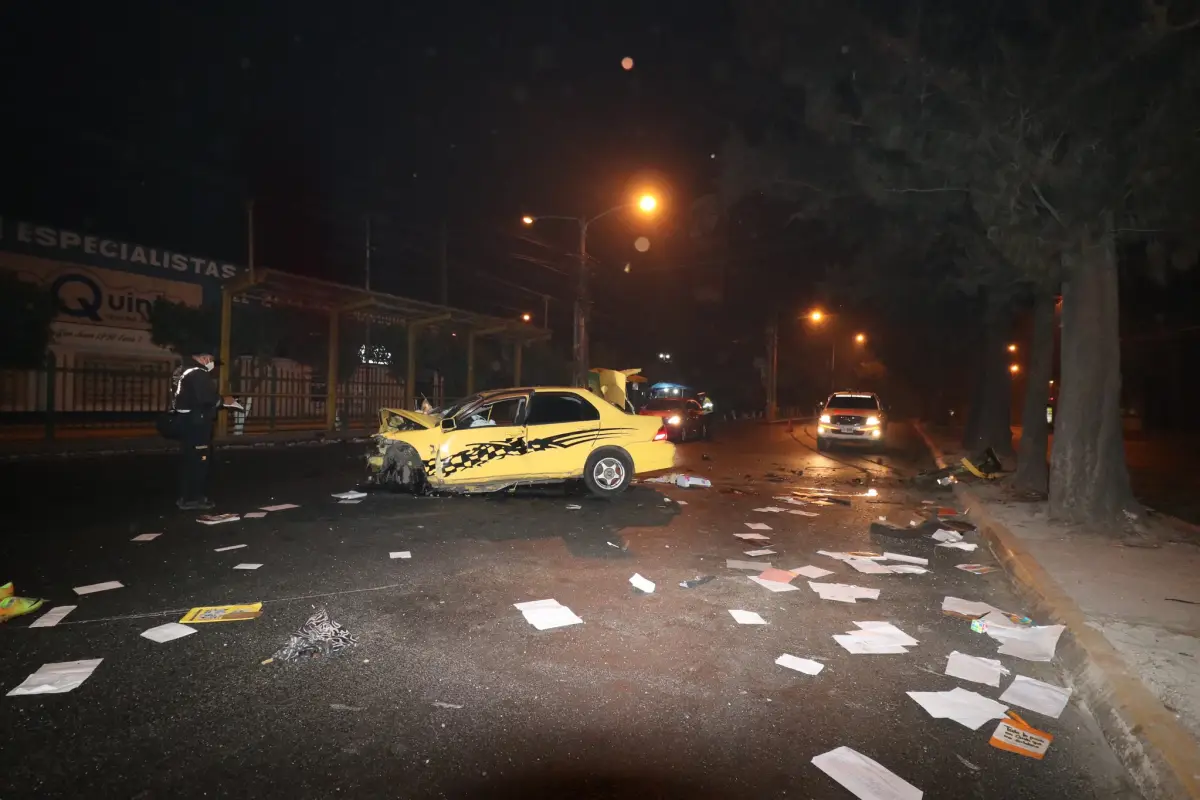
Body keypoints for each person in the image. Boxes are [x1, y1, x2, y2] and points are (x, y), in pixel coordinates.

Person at [172, 351, 237, 510]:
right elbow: (207, 398)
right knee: (199, 460)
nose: (212, 365)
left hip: (186, 421)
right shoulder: (198, 374)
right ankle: (194, 499)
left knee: (189, 459)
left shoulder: (183, 371)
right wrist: (225, 401)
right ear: (204, 357)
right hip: (197, 423)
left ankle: (186, 497)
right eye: (212, 361)